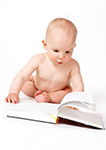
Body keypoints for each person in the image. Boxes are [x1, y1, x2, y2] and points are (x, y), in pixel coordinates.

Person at [5, 18, 84, 104]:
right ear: (45, 44)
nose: (61, 56)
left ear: (73, 46)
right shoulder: (38, 59)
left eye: (68, 52)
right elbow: (22, 76)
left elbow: (77, 85)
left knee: (68, 92)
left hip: (59, 91)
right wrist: (13, 92)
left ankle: (48, 97)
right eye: (56, 51)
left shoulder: (73, 65)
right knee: (25, 83)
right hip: (36, 87)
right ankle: (38, 94)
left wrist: (76, 101)